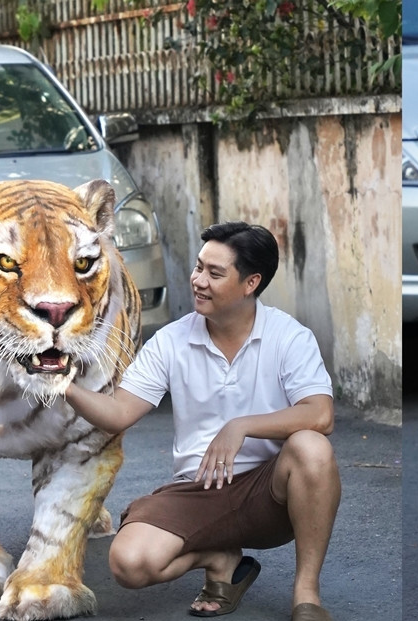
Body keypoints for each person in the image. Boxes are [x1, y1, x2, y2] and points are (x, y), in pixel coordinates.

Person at [64, 221, 340, 621]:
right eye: (198, 268)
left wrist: (241, 425)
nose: (198, 281)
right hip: (196, 488)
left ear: (251, 283)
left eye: (215, 273)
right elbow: (119, 414)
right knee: (128, 563)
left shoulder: (288, 337)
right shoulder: (172, 340)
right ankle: (219, 558)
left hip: (270, 495)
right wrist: (65, 386)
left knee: (313, 448)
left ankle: (307, 596)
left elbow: (321, 413)